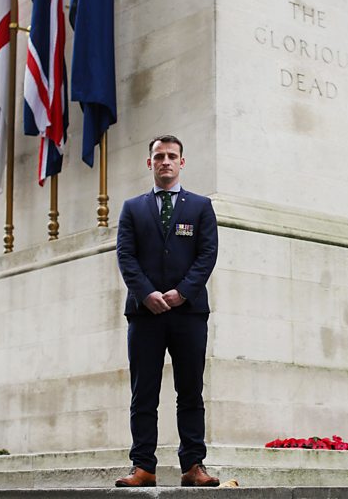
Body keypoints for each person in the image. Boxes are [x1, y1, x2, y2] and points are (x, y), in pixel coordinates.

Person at [115, 134, 219, 487]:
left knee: (190, 391)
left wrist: (182, 293)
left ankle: (193, 465)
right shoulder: (132, 208)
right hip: (145, 314)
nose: (165, 162)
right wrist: (146, 294)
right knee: (143, 392)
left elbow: (207, 255)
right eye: (158, 156)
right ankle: (143, 466)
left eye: (171, 156)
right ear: (150, 163)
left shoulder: (200, 206)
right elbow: (125, 256)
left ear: (182, 162)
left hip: (188, 314)